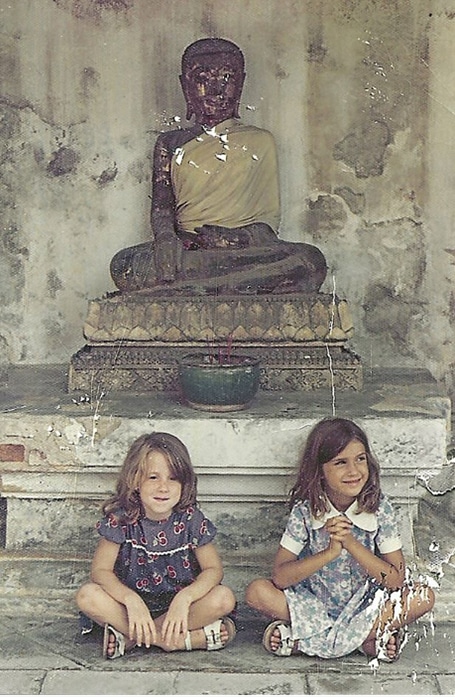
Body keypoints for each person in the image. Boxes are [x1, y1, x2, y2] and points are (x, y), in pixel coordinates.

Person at [110, 37, 327, 295]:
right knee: (125, 266)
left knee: (310, 261)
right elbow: (162, 209)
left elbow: (268, 226)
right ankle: (235, 287)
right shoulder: (169, 143)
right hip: (189, 251)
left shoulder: (259, 141)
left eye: (226, 78)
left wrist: (235, 239)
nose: (216, 90)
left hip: (243, 251)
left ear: (241, 84)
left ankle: (188, 290)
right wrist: (167, 240)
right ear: (185, 86)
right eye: (203, 79)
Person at [245, 417, 435, 662]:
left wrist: (351, 544)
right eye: (340, 462)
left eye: (360, 459)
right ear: (320, 471)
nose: (354, 471)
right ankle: (365, 641)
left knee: (423, 596)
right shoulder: (306, 511)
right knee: (257, 591)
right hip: (313, 606)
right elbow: (280, 577)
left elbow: (396, 579)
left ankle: (302, 641)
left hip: (365, 608)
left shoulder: (380, 508)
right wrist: (329, 553)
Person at [76, 432, 236, 659]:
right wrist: (130, 600)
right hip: (130, 608)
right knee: (87, 596)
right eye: (153, 477)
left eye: (173, 478)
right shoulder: (121, 519)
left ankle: (132, 638)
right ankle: (175, 641)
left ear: (184, 483)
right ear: (135, 481)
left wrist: (186, 598)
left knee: (223, 598)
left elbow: (214, 570)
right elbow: (100, 571)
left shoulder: (190, 519)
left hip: (181, 610)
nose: (163, 487)